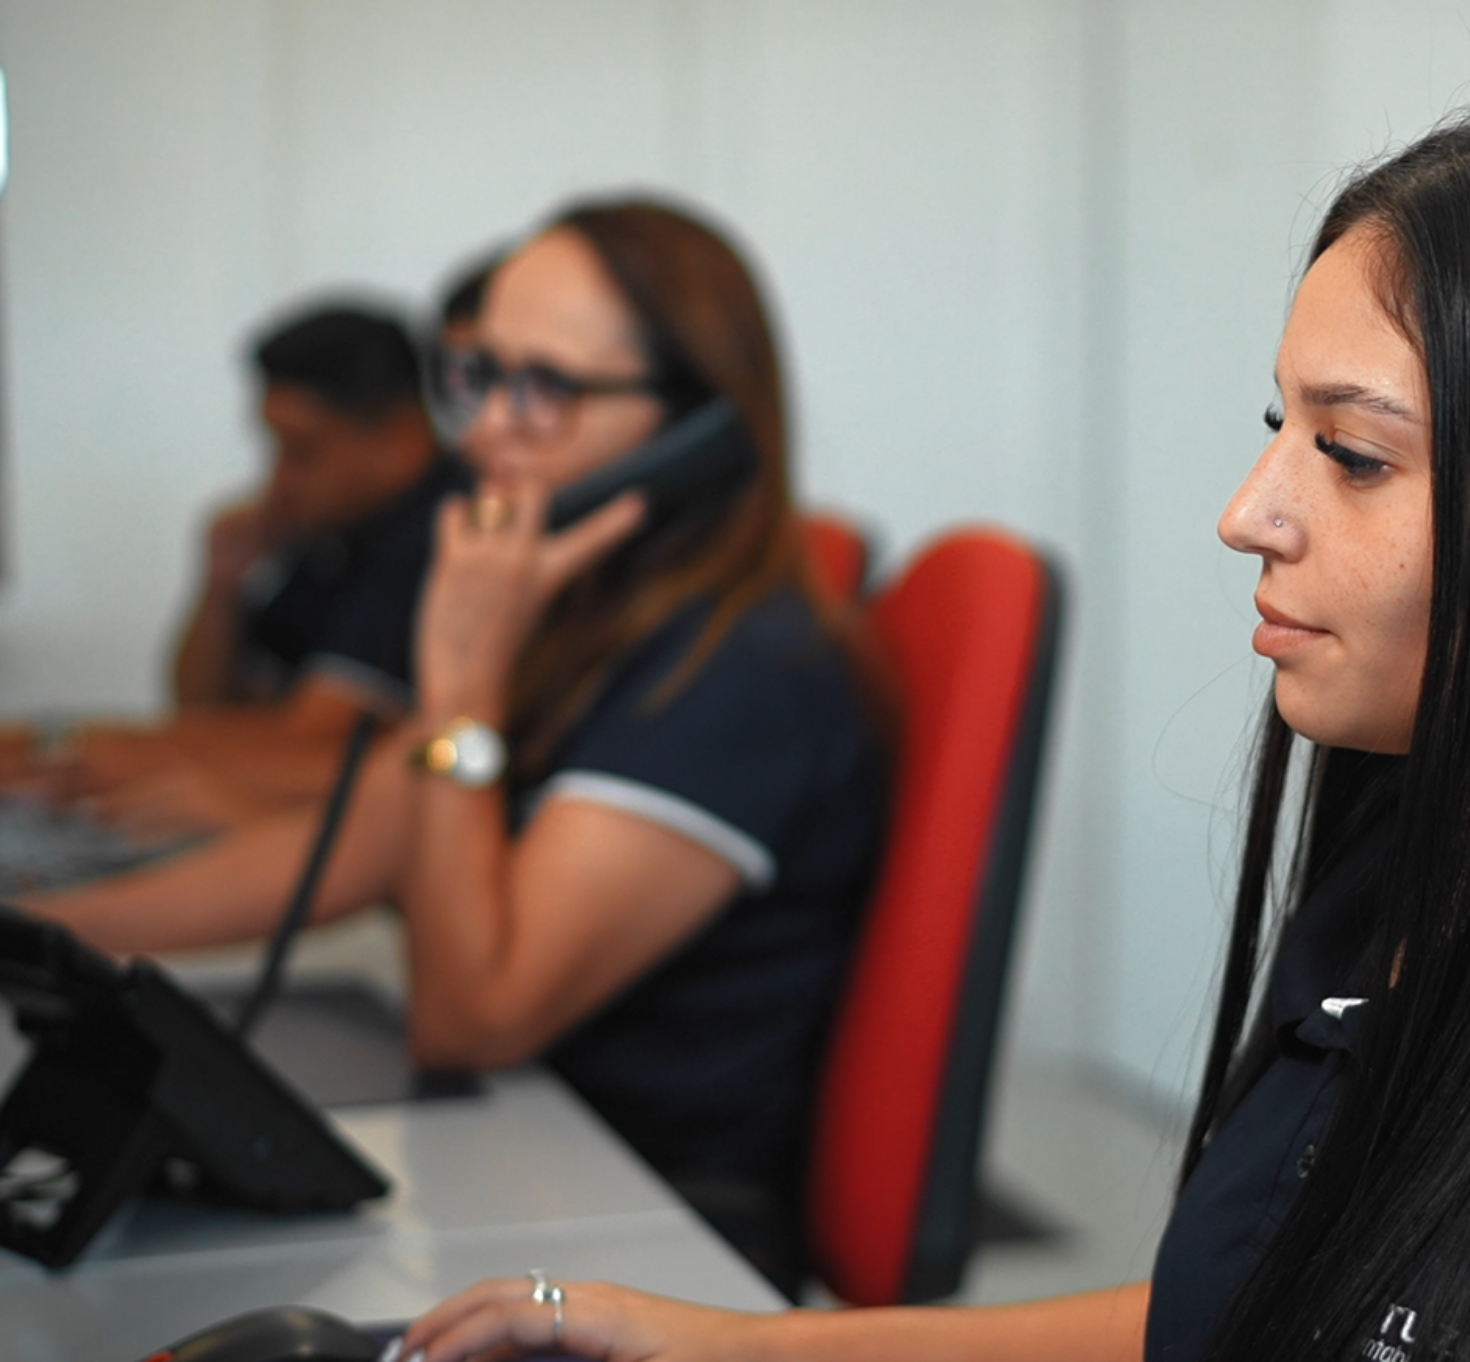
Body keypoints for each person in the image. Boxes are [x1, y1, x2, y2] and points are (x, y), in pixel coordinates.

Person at [393, 91, 1470, 1362]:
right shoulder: (1402, 879)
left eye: (1354, 455)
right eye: (1280, 427)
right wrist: (734, 1344)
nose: (1248, 512)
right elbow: (1241, 1315)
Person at [25, 197, 891, 1289]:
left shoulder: (740, 674)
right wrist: (46, 933)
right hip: (520, 1162)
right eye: (477, 375)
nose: (481, 431)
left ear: (696, 430)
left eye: (547, 387)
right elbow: (339, 847)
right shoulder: (580, 618)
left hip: (646, 1235)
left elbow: (470, 1017)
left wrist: (462, 682)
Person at [5, 304, 468, 837]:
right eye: (274, 447)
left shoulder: (437, 533)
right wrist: (222, 587)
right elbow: (202, 706)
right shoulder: (332, 531)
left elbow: (313, 740)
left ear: (400, 431)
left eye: (302, 450)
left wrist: (69, 745)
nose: (280, 476)